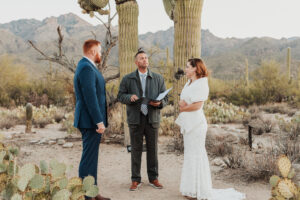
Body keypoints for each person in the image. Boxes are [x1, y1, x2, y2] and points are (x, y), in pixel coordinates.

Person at [175, 58, 245, 200]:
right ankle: (190, 189)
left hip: (197, 125)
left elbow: (197, 105)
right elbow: (186, 100)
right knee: (190, 154)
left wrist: (183, 107)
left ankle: (199, 189)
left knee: (197, 154)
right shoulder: (189, 82)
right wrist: (181, 104)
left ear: (195, 68)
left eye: (188, 67)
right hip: (189, 124)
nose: (186, 69)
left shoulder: (202, 83)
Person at [117, 49, 168, 191]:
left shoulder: (158, 78)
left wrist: (160, 103)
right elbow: (120, 95)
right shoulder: (128, 78)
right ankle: (135, 179)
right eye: (141, 58)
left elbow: (166, 98)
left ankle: (153, 178)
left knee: (153, 149)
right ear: (136, 62)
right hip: (135, 119)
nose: (145, 60)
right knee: (136, 149)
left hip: (152, 119)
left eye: (146, 58)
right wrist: (129, 97)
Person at [73, 39, 110, 200]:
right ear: (93, 51)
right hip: (89, 121)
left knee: (92, 157)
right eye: (100, 51)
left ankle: (93, 192)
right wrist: (99, 121)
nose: (100, 54)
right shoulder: (86, 68)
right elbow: (90, 97)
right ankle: (86, 196)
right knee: (88, 158)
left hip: (90, 120)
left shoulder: (87, 66)